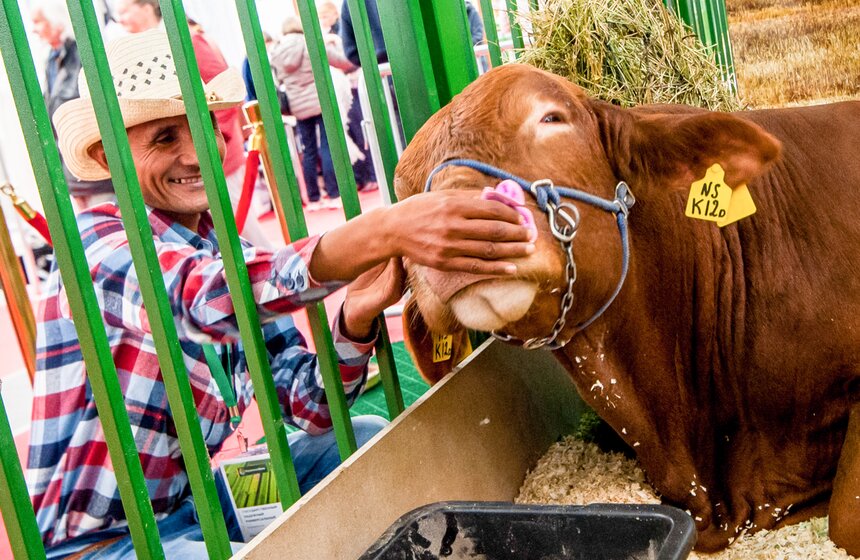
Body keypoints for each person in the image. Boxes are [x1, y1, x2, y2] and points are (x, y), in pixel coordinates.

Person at [28, 29, 534, 559]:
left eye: (204, 128)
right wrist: (383, 231)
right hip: (100, 543)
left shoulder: (221, 243)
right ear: (108, 159)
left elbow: (304, 402)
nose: (195, 153)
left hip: (194, 503)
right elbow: (200, 300)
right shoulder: (97, 242)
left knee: (360, 435)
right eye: (164, 139)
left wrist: (357, 317)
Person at [114, 0, 271, 247]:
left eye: (124, 11)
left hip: (221, 161)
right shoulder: (166, 44)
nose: (119, 19)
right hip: (203, 158)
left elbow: (222, 99)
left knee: (238, 233)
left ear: (146, 7)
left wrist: (211, 144)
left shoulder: (187, 41)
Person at [31, 0, 114, 211]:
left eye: (38, 22)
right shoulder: (52, 59)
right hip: (75, 172)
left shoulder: (82, 55)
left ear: (57, 23)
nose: (34, 30)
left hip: (98, 170)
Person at [269, 17, 356, 211]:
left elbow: (276, 80)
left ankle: (314, 199)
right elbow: (342, 62)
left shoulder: (276, 52)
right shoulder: (312, 44)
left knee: (308, 151)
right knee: (327, 146)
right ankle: (334, 194)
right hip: (320, 101)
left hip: (298, 107)